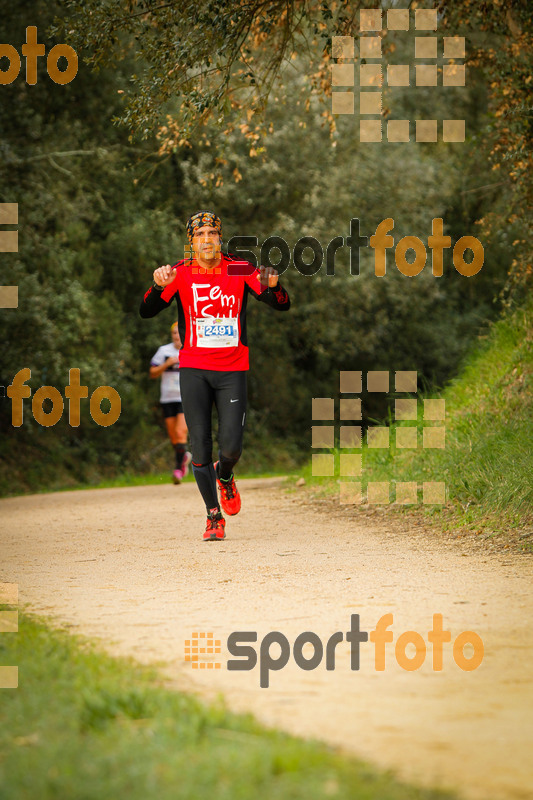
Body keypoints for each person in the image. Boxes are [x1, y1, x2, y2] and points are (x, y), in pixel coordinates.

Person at [139, 210, 290, 541]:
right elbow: (147, 310)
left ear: (220, 238)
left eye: (212, 233)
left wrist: (276, 287)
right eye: (200, 234)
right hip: (193, 368)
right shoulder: (180, 273)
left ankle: (225, 476)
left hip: (232, 368)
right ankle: (213, 516)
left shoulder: (239, 268)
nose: (206, 239)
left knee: (232, 446)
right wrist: (156, 285)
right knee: (200, 445)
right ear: (191, 242)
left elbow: (281, 304)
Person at [149, 322, 191, 484]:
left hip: (184, 397)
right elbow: (152, 372)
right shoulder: (163, 351)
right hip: (167, 398)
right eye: (174, 333)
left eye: (179, 332)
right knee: (174, 437)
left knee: (181, 432)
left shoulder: (190, 350)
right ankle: (184, 457)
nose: (176, 335)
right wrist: (166, 364)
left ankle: (178, 469)